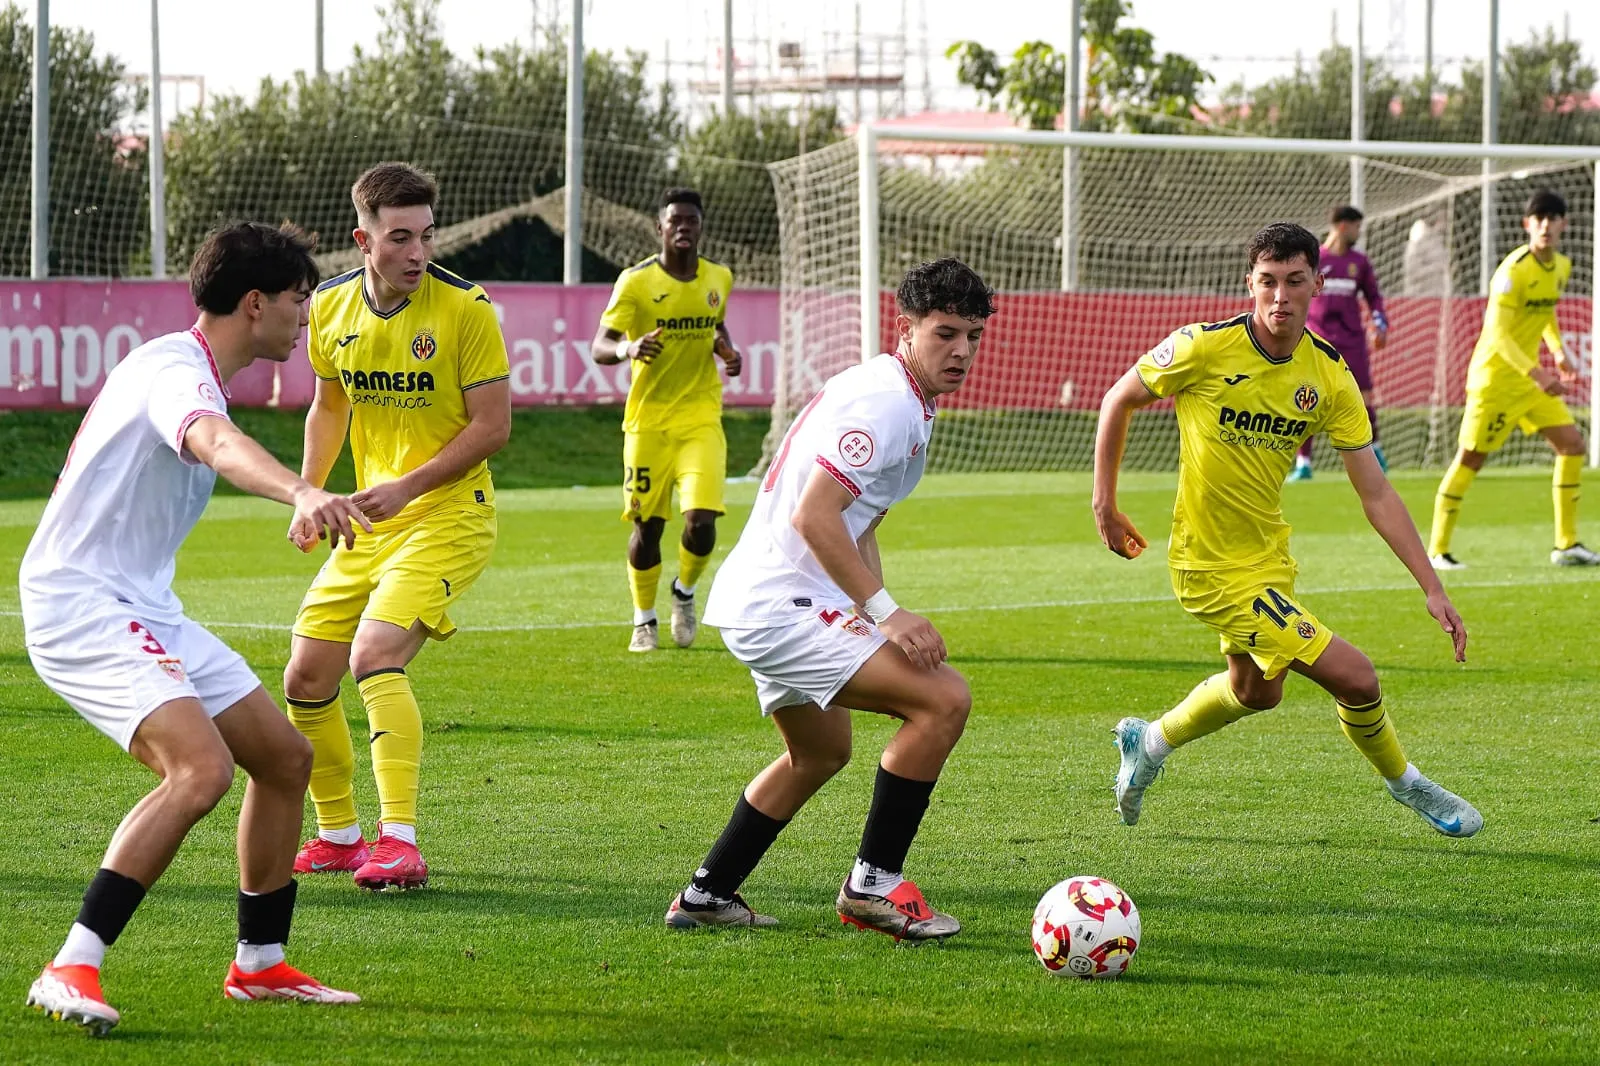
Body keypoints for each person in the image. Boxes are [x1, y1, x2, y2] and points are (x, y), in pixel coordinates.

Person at [20, 222, 368, 1033]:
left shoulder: (190, 367)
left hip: (141, 606)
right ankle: (71, 963)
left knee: (285, 760)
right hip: (81, 605)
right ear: (255, 304)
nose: (304, 318)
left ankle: (260, 966)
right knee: (200, 772)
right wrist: (300, 492)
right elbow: (214, 441)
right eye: (296, 302)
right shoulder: (174, 372)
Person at [1093, 222, 1482, 840]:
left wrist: (1432, 586)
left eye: (1294, 282)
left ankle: (1152, 741)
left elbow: (1375, 490)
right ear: (1249, 284)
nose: (1279, 297)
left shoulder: (1328, 375)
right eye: (1267, 282)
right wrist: (1105, 505)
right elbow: (1118, 400)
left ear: (1316, 285)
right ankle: (1405, 781)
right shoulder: (1202, 347)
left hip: (1268, 559)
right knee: (1357, 677)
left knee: (1256, 692)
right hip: (1207, 567)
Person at [662, 257, 993, 942]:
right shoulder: (887, 403)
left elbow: (858, 522)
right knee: (943, 700)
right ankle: (872, 885)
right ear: (907, 329)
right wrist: (886, 614)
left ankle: (706, 894)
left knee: (818, 753)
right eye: (945, 333)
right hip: (782, 601)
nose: (961, 350)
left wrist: (885, 606)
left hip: (767, 599)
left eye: (973, 336)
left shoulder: (898, 393)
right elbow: (815, 517)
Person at [283, 162, 512, 891]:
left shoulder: (465, 309)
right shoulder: (328, 308)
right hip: (368, 522)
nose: (419, 252)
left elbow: (493, 428)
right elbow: (328, 404)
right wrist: (309, 493)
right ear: (364, 239)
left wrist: (407, 485)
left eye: (427, 235)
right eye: (401, 237)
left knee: (374, 654)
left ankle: (400, 841)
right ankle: (340, 834)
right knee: (306, 673)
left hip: (449, 513)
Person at [591, 188, 743, 652]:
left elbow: (715, 324)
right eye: (674, 220)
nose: (683, 227)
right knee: (648, 528)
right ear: (660, 228)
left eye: (691, 220)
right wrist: (629, 349)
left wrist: (727, 351)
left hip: (701, 418)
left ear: (700, 227)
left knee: (701, 520)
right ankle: (644, 619)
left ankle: (685, 593)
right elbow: (600, 345)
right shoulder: (634, 283)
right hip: (648, 424)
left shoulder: (720, 277)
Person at [1428, 188, 1597, 569]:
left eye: (1553, 219)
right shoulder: (1511, 272)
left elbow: (1546, 315)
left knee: (1572, 445)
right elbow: (1499, 336)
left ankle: (1566, 544)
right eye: (1539, 219)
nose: (1546, 226)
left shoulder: (1562, 267)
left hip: (1529, 382)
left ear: (1564, 224)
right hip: (1496, 382)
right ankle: (1437, 550)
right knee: (1471, 458)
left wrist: (1558, 353)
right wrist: (1539, 372)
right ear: (1527, 225)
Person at [1289, 205, 1389, 479]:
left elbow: (1374, 298)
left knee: (1364, 398)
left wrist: (1380, 322)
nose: (1359, 233)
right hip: (1316, 341)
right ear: (1343, 226)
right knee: (1306, 398)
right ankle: (1304, 463)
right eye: (1356, 227)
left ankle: (1376, 451)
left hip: (1352, 341)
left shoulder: (1360, 262)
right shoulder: (1315, 260)